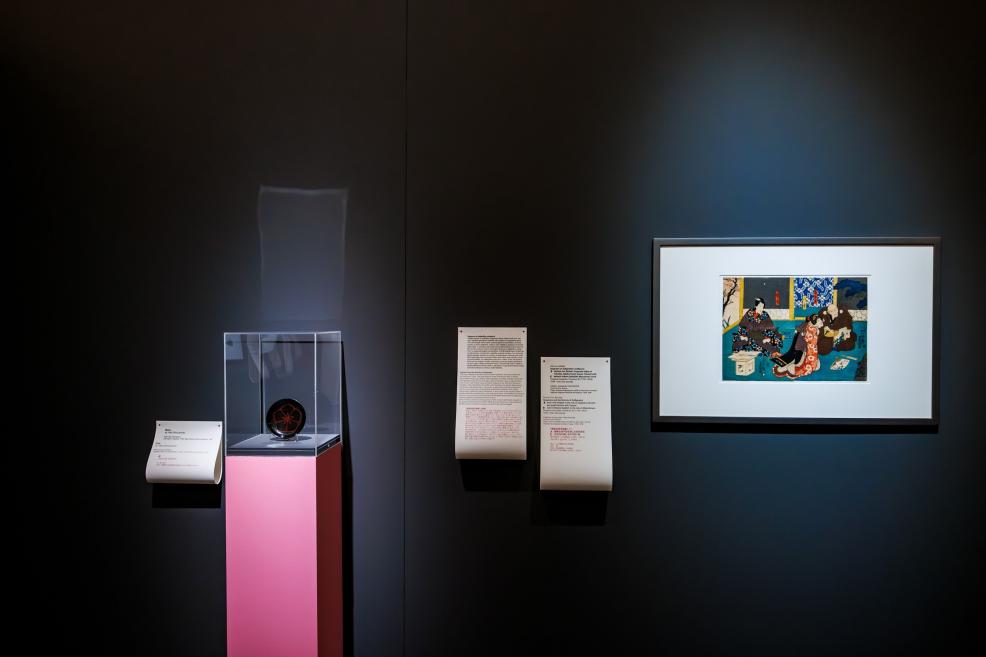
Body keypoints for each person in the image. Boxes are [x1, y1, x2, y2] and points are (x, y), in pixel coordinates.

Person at [772, 314, 824, 379]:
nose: (821, 322)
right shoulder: (810, 329)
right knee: (799, 362)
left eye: (820, 320)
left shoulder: (811, 327)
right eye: (819, 321)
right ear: (813, 323)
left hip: (806, 348)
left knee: (808, 363)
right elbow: (809, 341)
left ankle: (787, 368)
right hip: (804, 348)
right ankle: (787, 369)